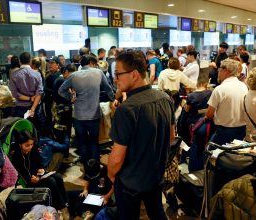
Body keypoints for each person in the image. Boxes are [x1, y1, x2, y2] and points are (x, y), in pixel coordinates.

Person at [108, 52, 175, 219]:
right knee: (157, 212)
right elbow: (171, 137)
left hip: (130, 182)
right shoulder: (165, 98)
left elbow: (116, 159)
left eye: (118, 74)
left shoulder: (127, 109)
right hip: (155, 175)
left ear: (134, 74)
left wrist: (111, 174)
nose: (115, 79)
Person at [59, 55, 114, 164]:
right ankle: (95, 166)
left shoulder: (74, 75)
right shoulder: (98, 73)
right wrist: (116, 100)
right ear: (91, 63)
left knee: (82, 142)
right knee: (94, 142)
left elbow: (61, 91)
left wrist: (71, 98)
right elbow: (108, 90)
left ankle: (85, 166)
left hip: (79, 115)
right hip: (94, 115)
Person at [10, 130, 70, 219]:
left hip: (39, 175)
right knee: (51, 181)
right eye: (27, 145)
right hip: (29, 180)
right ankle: (61, 207)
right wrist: (32, 178)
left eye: (31, 144)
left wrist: (41, 169)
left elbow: (40, 163)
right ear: (20, 145)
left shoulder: (33, 150)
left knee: (58, 177)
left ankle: (65, 203)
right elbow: (21, 174)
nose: (30, 147)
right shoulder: (16, 156)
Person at [205, 58, 248, 145]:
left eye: (220, 69)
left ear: (226, 71)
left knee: (212, 154)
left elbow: (209, 114)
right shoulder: (243, 86)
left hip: (224, 131)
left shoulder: (220, 89)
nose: (218, 71)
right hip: (242, 129)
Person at [9, 52, 43, 119]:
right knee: (36, 128)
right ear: (30, 61)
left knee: (22, 128)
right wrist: (33, 109)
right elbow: (39, 93)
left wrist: (29, 98)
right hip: (35, 107)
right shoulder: (37, 74)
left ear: (19, 61)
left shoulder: (14, 75)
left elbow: (15, 94)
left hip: (20, 107)